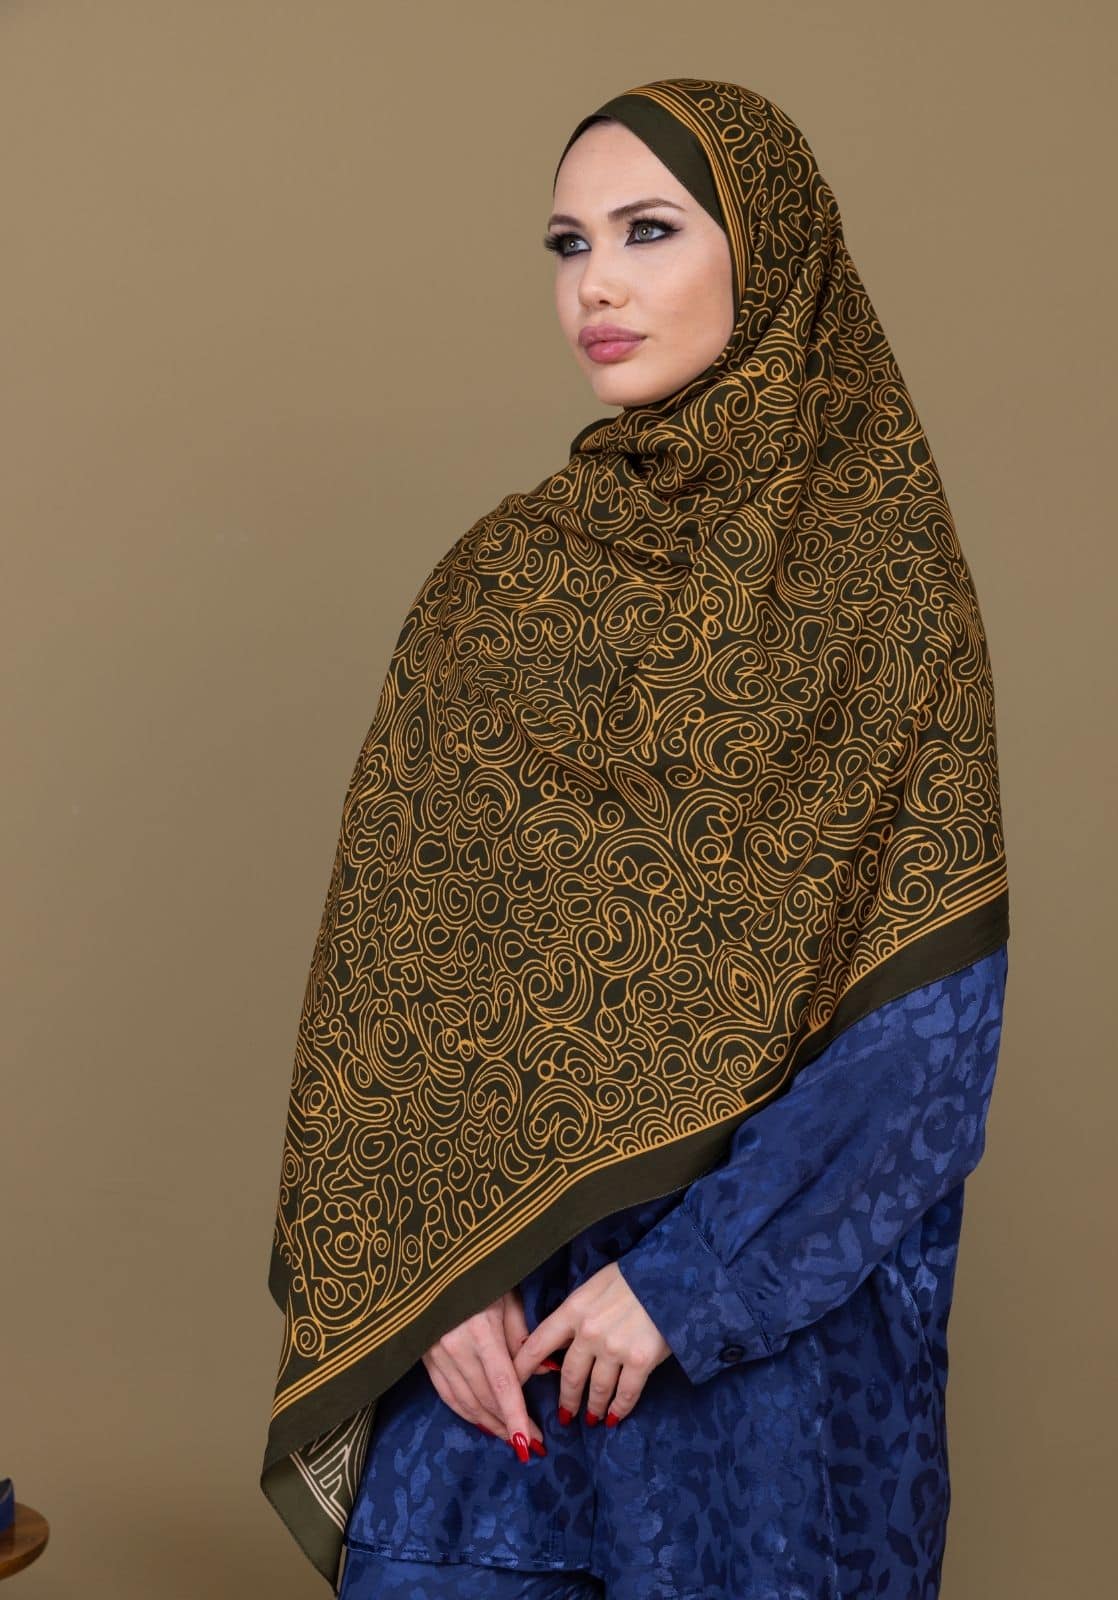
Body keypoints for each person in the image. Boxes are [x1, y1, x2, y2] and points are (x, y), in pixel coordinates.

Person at [261, 78, 1010, 1600]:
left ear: (770, 254)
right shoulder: (494, 586)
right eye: (568, 243)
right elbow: (386, 988)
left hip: (759, 1390)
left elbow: (928, 1028)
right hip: (489, 1376)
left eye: (648, 231)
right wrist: (420, 1287)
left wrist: (688, 1287)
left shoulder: (881, 595)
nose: (594, 283)